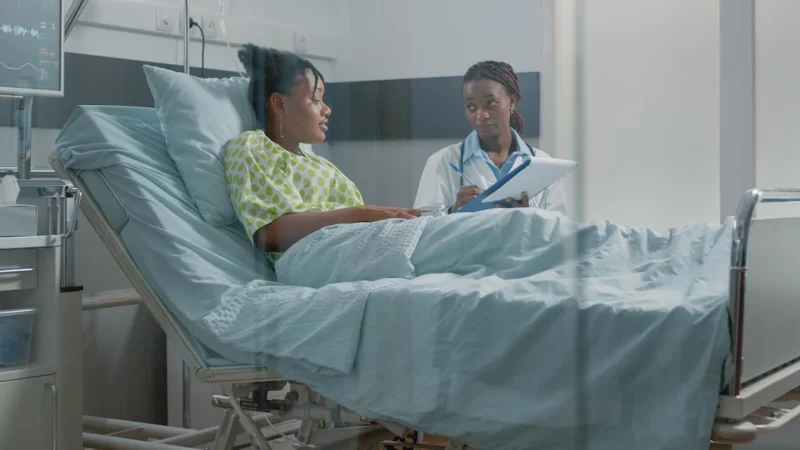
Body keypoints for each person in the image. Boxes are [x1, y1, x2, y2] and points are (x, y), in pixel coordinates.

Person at [224, 44, 420, 263]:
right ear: (279, 103)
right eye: (316, 99)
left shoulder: (318, 163)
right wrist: (361, 214)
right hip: (313, 258)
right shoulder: (252, 146)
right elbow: (269, 234)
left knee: (440, 230)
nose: (327, 109)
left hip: (354, 247)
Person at [413, 61, 568, 215]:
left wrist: (528, 218)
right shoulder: (443, 162)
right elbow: (420, 229)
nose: (481, 115)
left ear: (512, 102)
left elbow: (558, 231)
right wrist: (452, 211)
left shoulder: (543, 164)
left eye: (491, 103)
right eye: (471, 106)